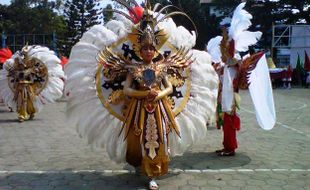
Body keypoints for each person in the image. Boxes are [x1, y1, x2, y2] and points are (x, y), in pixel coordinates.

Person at [65, 0, 218, 189]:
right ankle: (142, 166)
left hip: (160, 108)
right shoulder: (133, 68)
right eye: (145, 48)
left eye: (151, 48)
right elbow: (126, 90)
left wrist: (159, 94)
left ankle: (153, 172)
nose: (148, 51)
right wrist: (141, 94)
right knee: (139, 138)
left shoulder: (162, 67)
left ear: (155, 49)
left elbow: (170, 87)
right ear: (139, 49)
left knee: (158, 138)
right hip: (138, 109)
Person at [207, 2, 276, 157]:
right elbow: (223, 71)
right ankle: (227, 145)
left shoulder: (235, 60)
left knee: (229, 122)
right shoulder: (227, 63)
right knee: (225, 121)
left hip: (230, 97)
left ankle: (230, 148)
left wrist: (227, 62)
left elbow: (235, 71)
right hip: (225, 95)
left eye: (224, 47)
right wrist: (220, 67)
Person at [0, 45, 65, 122]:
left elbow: (35, 77)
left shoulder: (32, 68)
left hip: (29, 87)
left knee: (30, 100)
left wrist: (29, 79)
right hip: (20, 87)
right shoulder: (17, 65)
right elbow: (13, 74)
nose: (24, 57)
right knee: (19, 100)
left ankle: (30, 111)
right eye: (23, 55)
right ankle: (22, 114)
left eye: (25, 55)